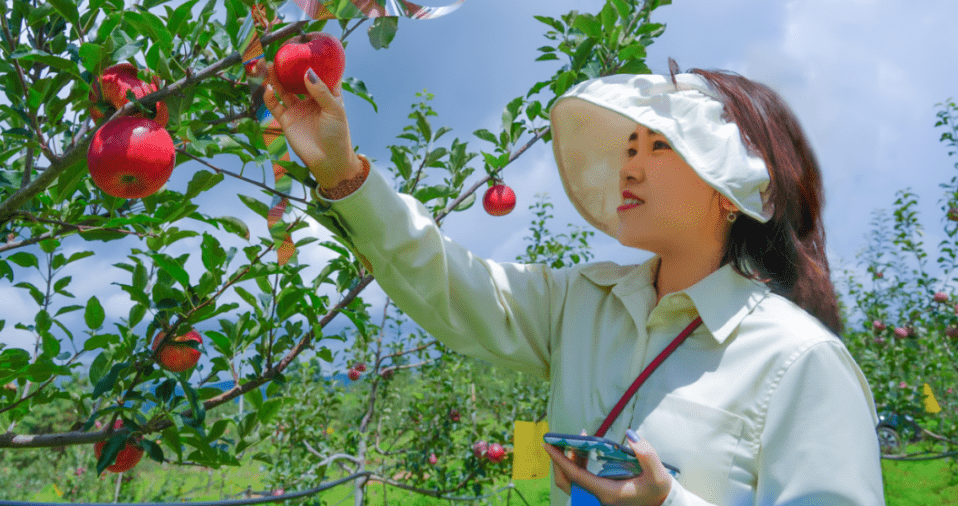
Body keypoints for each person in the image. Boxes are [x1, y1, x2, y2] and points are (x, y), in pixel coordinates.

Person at [260, 58, 886, 506]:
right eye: (628, 149)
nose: (629, 168)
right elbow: (446, 279)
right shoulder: (582, 306)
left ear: (730, 191)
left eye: (659, 147)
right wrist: (344, 174)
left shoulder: (797, 362)